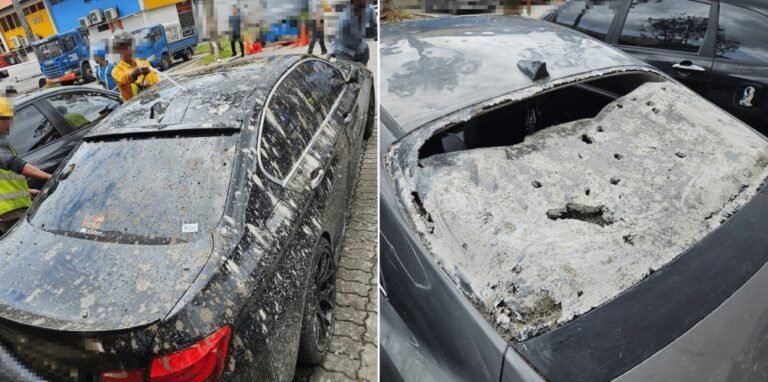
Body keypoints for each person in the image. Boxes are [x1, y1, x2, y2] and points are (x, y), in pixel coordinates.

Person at [0, 96, 52, 234]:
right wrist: (50, 177)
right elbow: (14, 163)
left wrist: (27, 192)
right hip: (10, 211)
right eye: (7, 119)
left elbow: (4, 182)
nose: (10, 123)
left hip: (10, 209)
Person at [111, 32, 159, 102]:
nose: (130, 49)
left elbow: (156, 82)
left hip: (153, 101)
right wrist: (136, 72)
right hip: (134, 109)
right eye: (125, 47)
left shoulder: (143, 62)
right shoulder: (116, 71)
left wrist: (150, 87)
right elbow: (125, 78)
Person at [329, 0, 377, 65]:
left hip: (362, 50)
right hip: (344, 52)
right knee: (347, 74)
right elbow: (334, 33)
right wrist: (331, 51)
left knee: (362, 74)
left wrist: (373, 32)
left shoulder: (370, 10)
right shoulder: (341, 11)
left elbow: (373, 30)